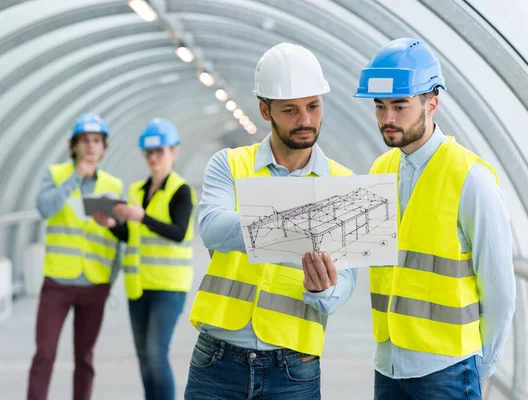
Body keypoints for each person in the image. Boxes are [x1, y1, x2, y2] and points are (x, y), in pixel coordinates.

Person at [184, 42, 359, 399]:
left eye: (313, 106)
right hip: (217, 359)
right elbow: (213, 228)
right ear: (265, 110)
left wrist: (323, 290)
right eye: (290, 110)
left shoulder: (344, 184)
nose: (305, 120)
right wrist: (295, 217)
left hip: (293, 367)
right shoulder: (230, 164)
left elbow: (345, 285)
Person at [354, 37, 516, 399]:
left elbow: (500, 285)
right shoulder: (380, 169)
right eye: (380, 107)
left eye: (400, 106)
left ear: (432, 104)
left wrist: (482, 364)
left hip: (447, 369)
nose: (388, 119)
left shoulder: (469, 177)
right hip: (388, 363)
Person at [94, 118, 196, 400]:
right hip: (138, 285)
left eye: (159, 151)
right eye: (149, 153)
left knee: (156, 352)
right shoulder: (137, 190)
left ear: (173, 152)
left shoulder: (181, 190)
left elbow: (177, 232)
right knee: (143, 355)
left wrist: (144, 217)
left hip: (168, 286)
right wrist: (114, 225)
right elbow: (134, 236)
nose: (153, 158)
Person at [27, 113, 123, 400]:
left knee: (85, 357)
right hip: (58, 282)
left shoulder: (113, 185)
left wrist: (110, 281)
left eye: (97, 141)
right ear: (74, 146)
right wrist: (74, 178)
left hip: (95, 284)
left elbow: (118, 237)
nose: (91, 147)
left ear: (104, 147)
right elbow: (45, 209)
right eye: (85, 141)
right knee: (44, 353)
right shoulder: (55, 175)